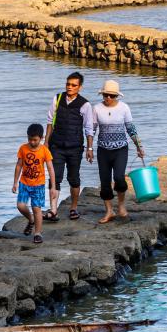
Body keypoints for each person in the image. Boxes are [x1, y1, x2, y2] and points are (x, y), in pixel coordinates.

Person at [87, 79, 144, 224]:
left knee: (119, 178)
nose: (108, 98)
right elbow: (91, 130)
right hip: (103, 150)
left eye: (112, 96)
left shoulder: (124, 108)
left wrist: (139, 146)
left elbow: (131, 128)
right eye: (106, 95)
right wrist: (89, 148)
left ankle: (121, 207)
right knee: (105, 181)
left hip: (120, 149)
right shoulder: (97, 108)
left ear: (117, 96)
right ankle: (109, 211)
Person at [43, 71, 95, 222]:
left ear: (80, 87)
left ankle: (73, 208)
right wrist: (46, 142)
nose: (70, 87)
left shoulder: (85, 104)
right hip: (56, 146)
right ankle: (53, 211)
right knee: (55, 178)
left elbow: (89, 128)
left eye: (74, 85)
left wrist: (89, 149)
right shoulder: (57, 99)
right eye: (68, 84)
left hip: (75, 147)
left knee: (73, 178)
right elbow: (49, 121)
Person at [13, 123, 55, 244]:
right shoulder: (23, 148)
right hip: (24, 183)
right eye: (30, 139)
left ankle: (37, 233)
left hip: (39, 185)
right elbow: (19, 165)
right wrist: (15, 183)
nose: (32, 142)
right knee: (20, 206)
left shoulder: (44, 150)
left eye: (35, 140)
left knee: (37, 209)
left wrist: (52, 186)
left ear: (41, 138)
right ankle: (30, 219)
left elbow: (51, 169)